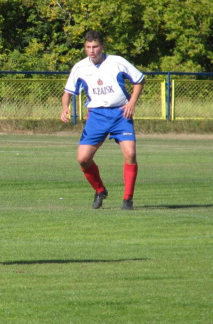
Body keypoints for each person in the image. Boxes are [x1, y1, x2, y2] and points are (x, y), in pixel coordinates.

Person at [60, 30, 145, 210]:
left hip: (120, 114)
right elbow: (67, 92)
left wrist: (132, 103)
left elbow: (139, 80)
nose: (92, 50)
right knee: (83, 159)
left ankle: (128, 200)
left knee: (130, 154)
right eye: (88, 47)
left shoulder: (117, 62)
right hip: (96, 116)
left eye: (95, 46)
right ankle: (100, 190)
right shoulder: (80, 67)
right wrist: (65, 107)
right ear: (85, 47)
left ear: (102, 46)